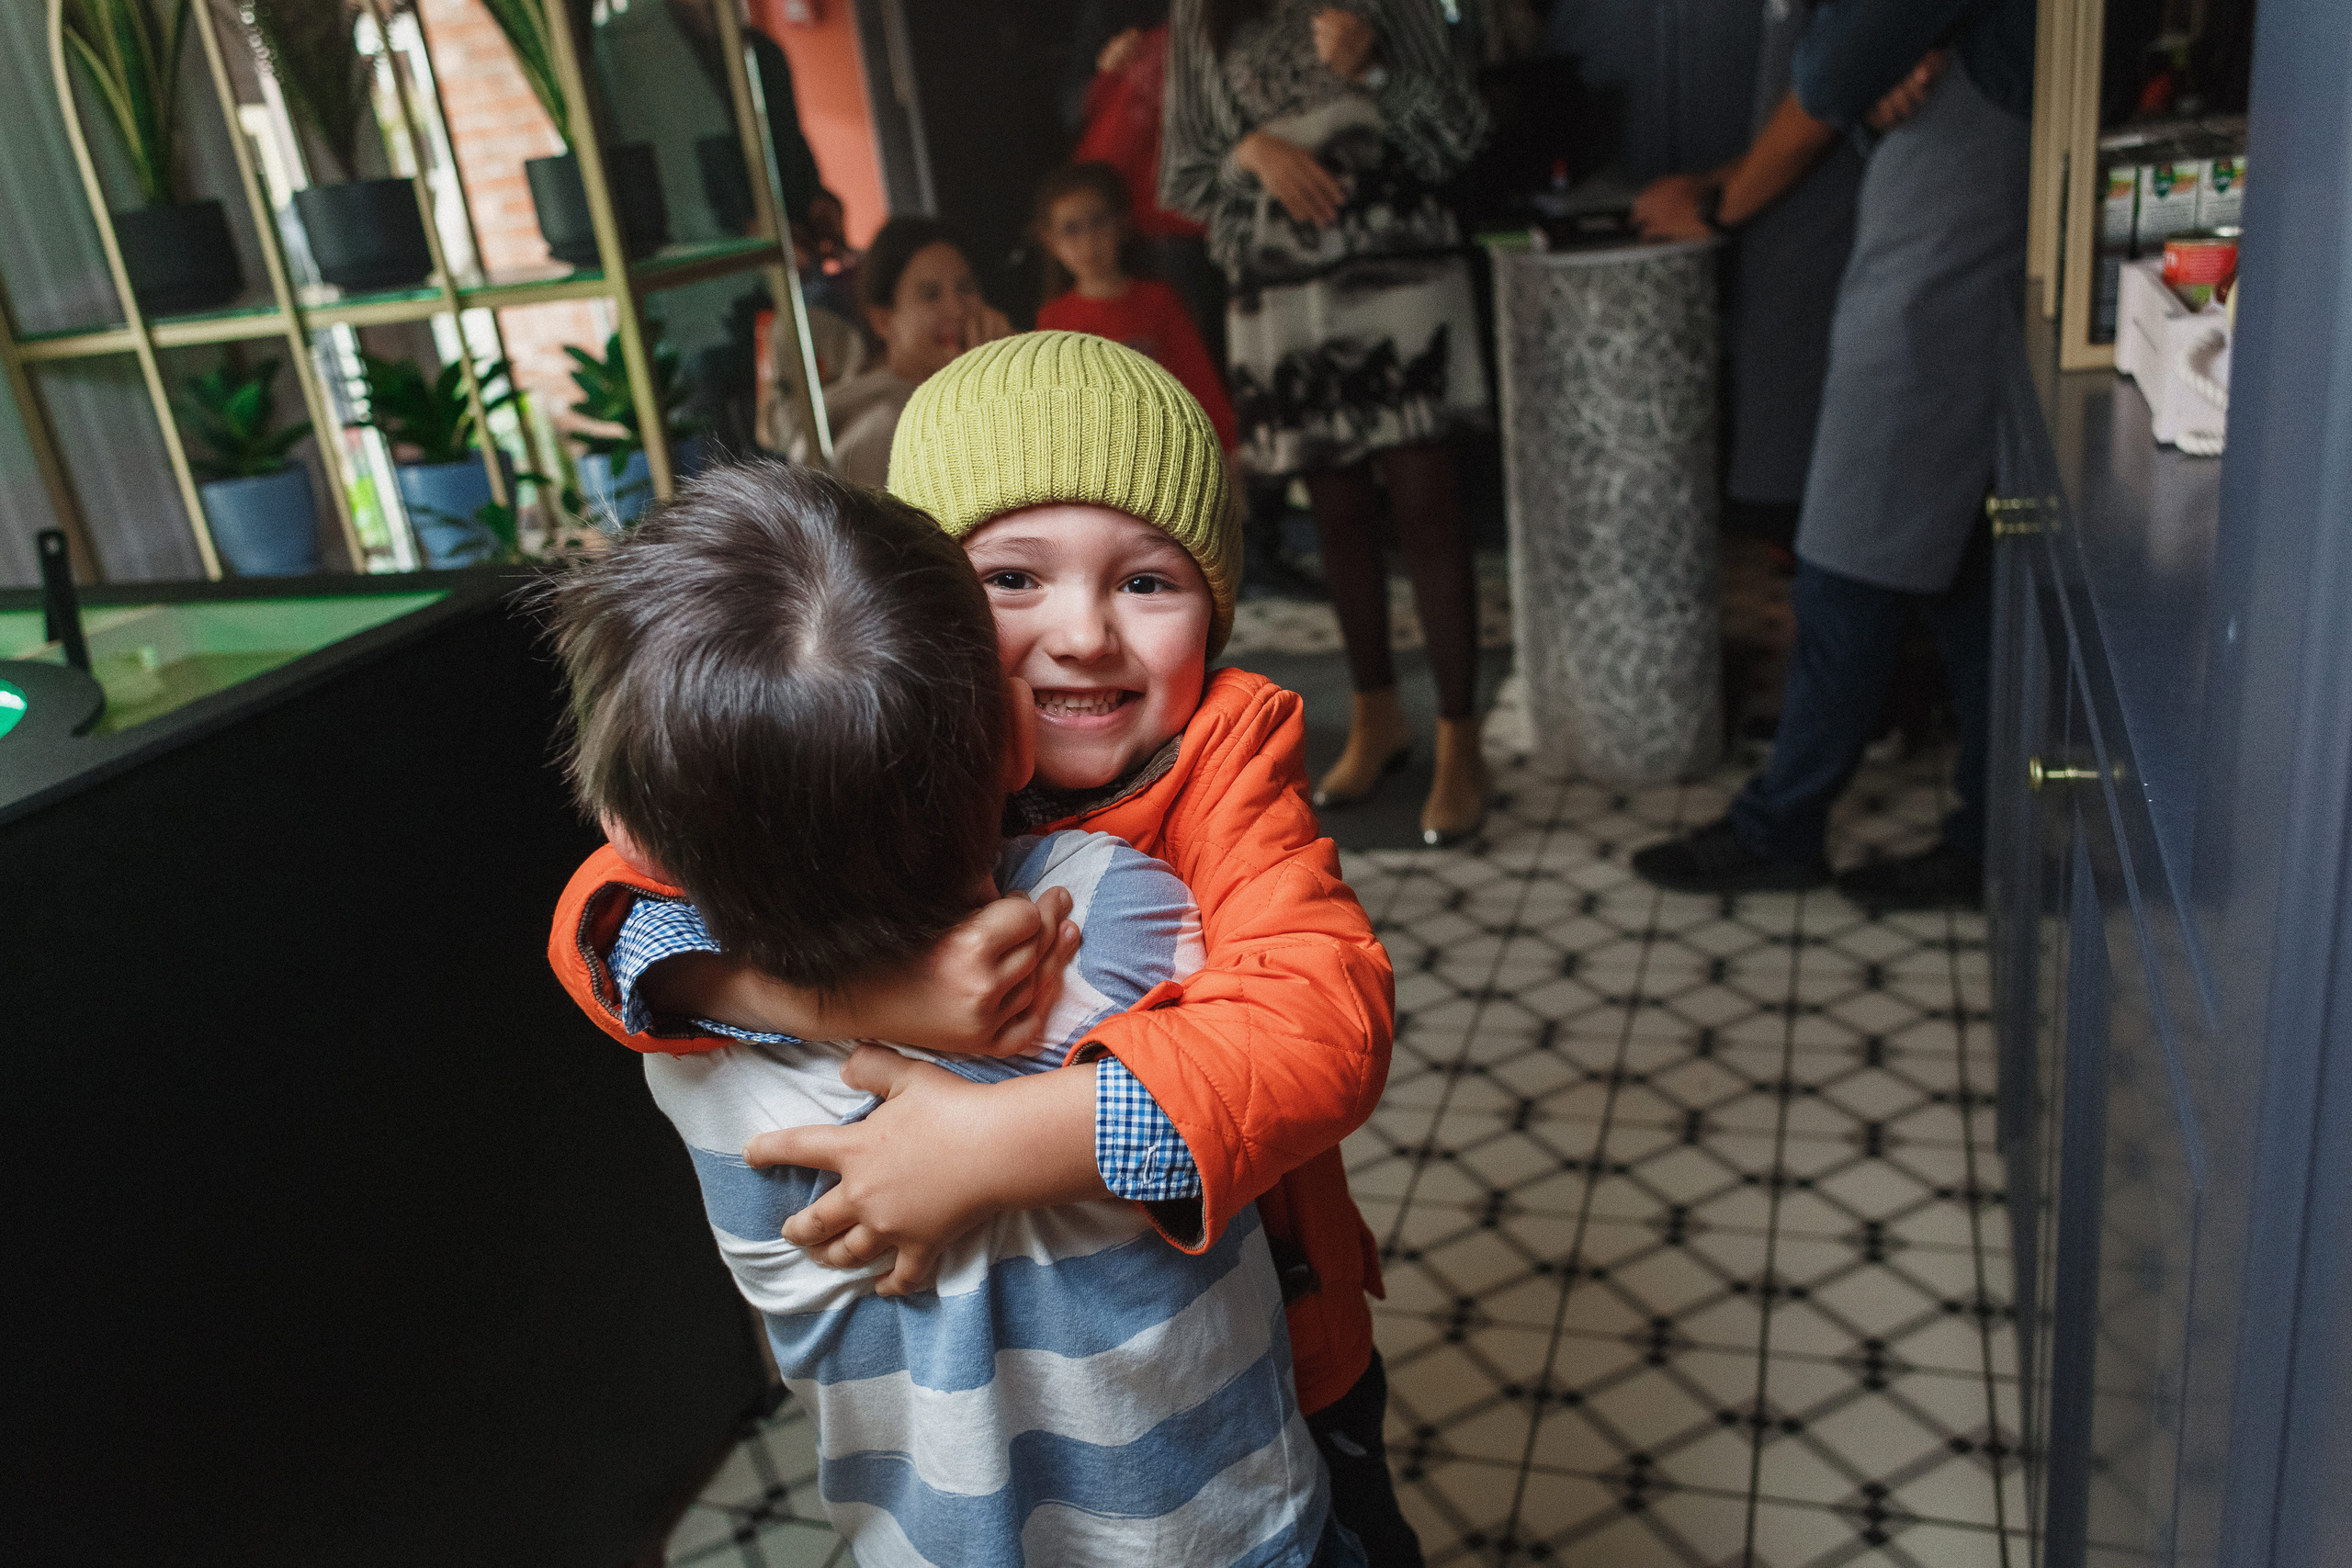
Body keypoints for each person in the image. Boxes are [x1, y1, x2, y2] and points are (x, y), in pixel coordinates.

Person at [547, 333, 1422, 1563]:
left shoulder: (1226, 756)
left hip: (1283, 1351)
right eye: (1014, 578)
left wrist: (992, 1142)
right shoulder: (864, 738)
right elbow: (604, 910)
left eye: (1149, 583)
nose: (1084, 634)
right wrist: (864, 991)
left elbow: (1321, 1026)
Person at [1628, 0, 2035, 910]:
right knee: (1966, 574)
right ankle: (1985, 836)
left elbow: (1834, 68)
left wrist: (1718, 203)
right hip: (1952, 241)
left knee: (1845, 568)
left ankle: (1782, 829)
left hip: (1942, 266)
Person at [1164, 0, 1494, 847]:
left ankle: (1462, 736)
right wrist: (1251, 151)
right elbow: (1182, 174)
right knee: (1337, 512)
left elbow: (1463, 134)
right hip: (1286, 294)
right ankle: (1379, 714)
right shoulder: (1203, 13)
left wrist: (1377, 72)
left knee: (1426, 502)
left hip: (1400, 267)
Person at [1035, 161, 1239, 451]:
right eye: (1071, 229)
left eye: (1097, 222)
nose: (1089, 241)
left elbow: (1202, 389)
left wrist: (1228, 458)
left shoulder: (1159, 301)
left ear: (1121, 224)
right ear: (1051, 242)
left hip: (1166, 452)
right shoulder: (1052, 319)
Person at [820, 217, 1009, 487]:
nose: (956, 309)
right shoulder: (883, 428)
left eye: (966, 288)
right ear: (883, 320)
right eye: (931, 295)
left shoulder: (968, 391)